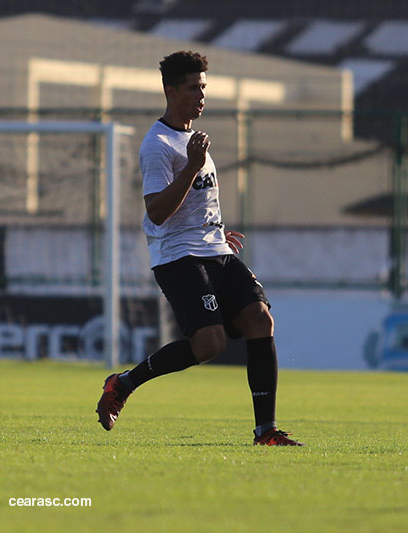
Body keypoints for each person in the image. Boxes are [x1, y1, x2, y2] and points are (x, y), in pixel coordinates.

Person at [96, 50, 303, 446]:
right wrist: (191, 167)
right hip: (178, 257)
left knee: (260, 319)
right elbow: (156, 212)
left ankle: (266, 431)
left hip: (213, 249)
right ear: (170, 91)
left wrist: (215, 232)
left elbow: (197, 202)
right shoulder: (158, 145)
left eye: (203, 88)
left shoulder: (193, 139)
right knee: (210, 344)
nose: (201, 96)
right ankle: (123, 384)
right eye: (193, 88)